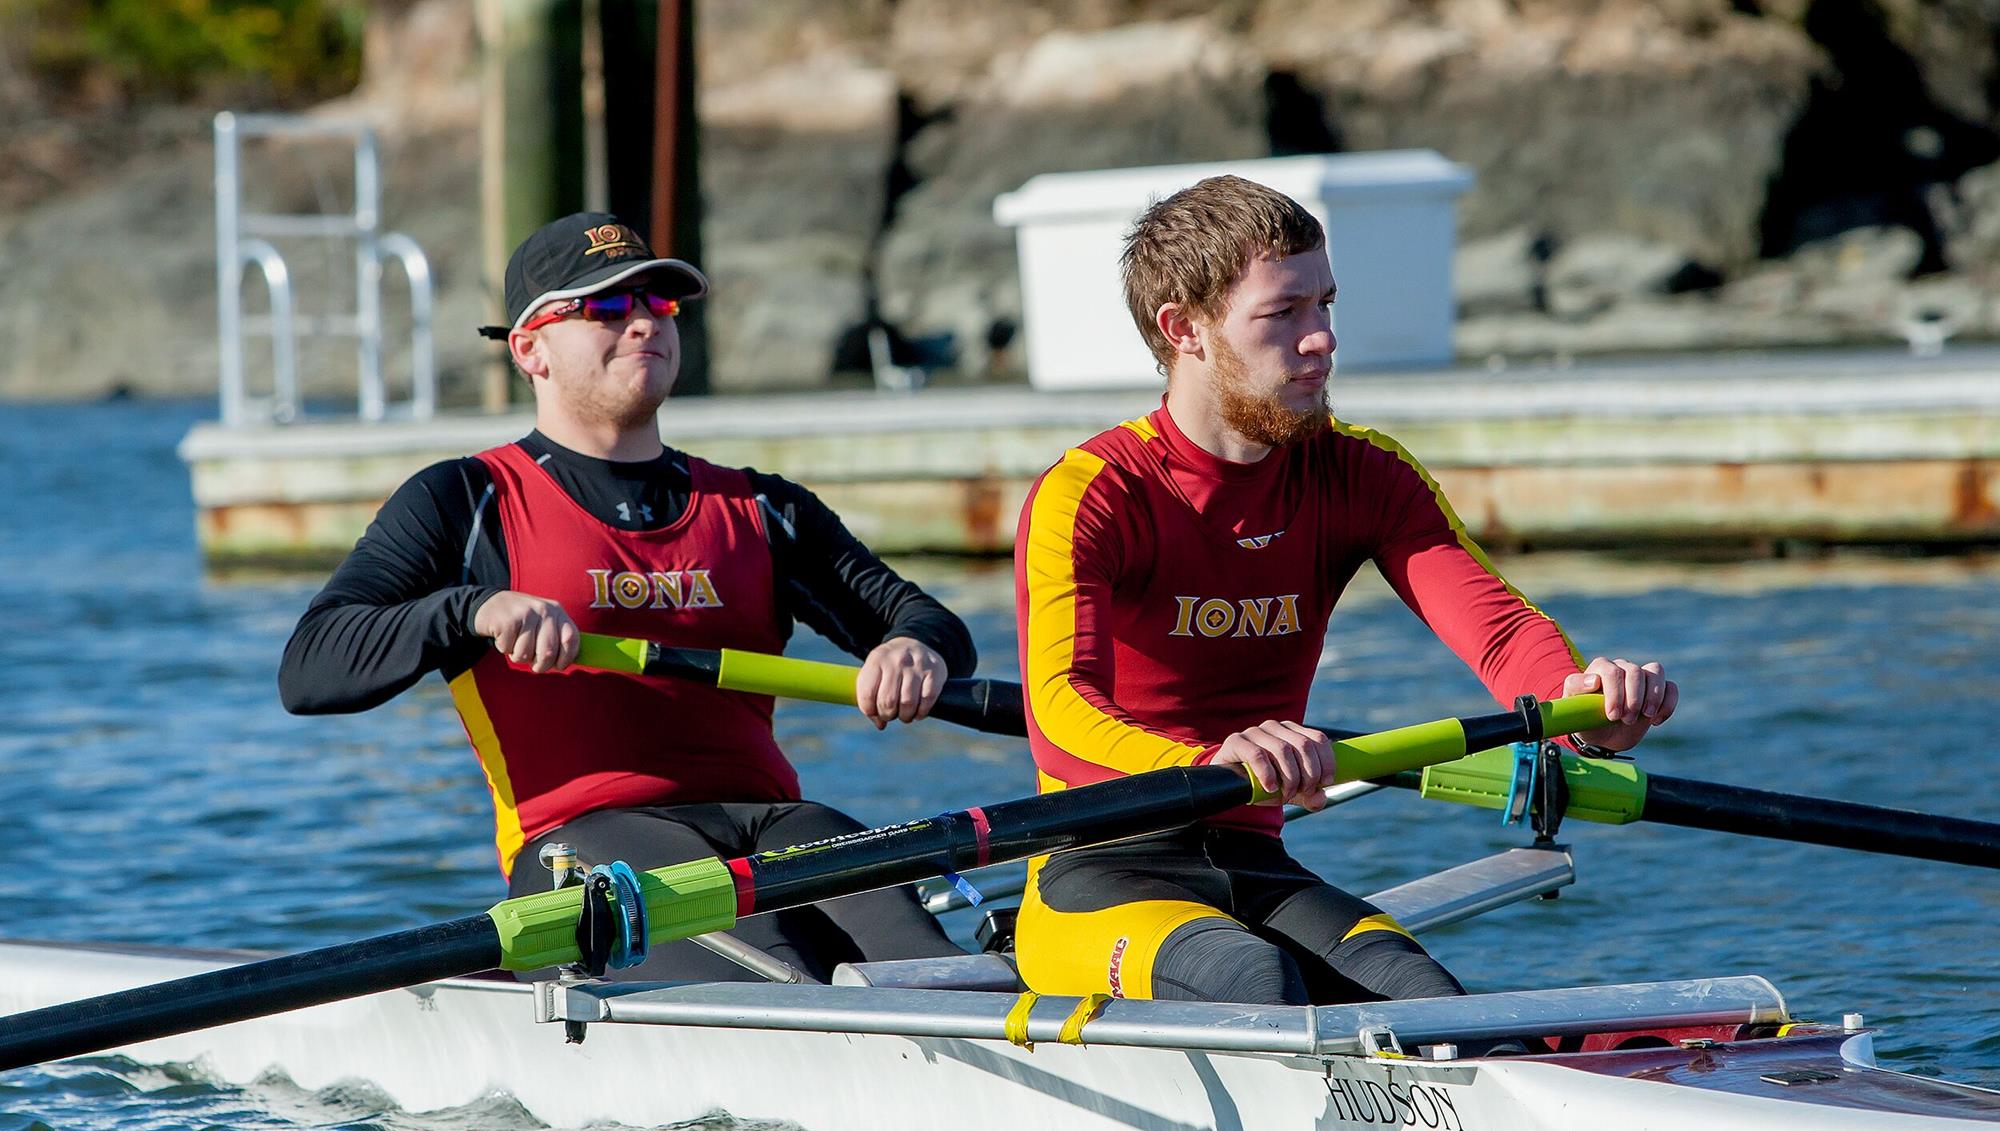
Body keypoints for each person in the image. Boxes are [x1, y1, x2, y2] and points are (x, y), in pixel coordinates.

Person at [1013, 176, 1677, 1006]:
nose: (1322, 338)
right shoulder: (1096, 493)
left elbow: (1501, 633)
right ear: (1184, 329)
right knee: (1256, 978)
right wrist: (1207, 760)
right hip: (1098, 871)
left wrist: (1583, 707)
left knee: (1426, 996)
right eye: (1283, 314)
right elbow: (1058, 710)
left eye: (1325, 304)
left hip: (1258, 861)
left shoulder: (1362, 474)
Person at [281, 211, 972, 982]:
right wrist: (471, 610)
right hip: (581, 846)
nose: (643, 322)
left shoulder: (762, 509)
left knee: (942, 970)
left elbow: (927, 620)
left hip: (778, 822)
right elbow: (310, 668)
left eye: (659, 304)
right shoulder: (464, 501)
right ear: (529, 348)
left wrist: (914, 649)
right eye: (607, 307)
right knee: (791, 976)